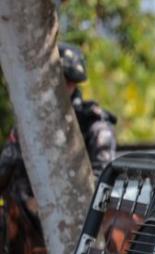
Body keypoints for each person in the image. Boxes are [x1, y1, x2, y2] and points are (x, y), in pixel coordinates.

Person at [0, 43, 117, 202]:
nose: (61, 87)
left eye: (67, 82)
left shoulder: (95, 126)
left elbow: (103, 186)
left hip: (74, 211)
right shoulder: (31, 123)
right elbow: (6, 167)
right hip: (22, 211)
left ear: (74, 84)